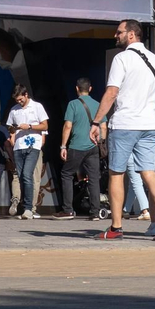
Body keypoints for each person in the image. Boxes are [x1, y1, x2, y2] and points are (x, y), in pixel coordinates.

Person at [89, 19, 155, 241]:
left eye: (119, 32)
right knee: (149, 172)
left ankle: (116, 227)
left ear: (131, 35)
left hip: (126, 124)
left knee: (116, 173)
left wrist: (96, 122)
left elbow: (111, 93)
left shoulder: (122, 58)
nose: (115, 36)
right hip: (149, 125)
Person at [55, 78, 101, 220]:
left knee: (67, 174)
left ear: (76, 89)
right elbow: (103, 127)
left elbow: (68, 126)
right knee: (94, 178)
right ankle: (95, 212)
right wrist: (100, 141)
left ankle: (68, 210)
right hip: (93, 147)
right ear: (90, 89)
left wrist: (63, 146)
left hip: (76, 146)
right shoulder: (98, 105)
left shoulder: (73, 104)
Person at [6, 85, 48, 219]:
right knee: (21, 177)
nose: (19, 102)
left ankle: (29, 208)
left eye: (20, 99)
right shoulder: (14, 110)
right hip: (18, 146)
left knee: (27, 174)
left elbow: (45, 125)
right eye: (17, 100)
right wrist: (13, 130)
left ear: (26, 95)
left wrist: (29, 126)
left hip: (33, 145)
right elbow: (10, 128)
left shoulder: (37, 107)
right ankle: (24, 206)